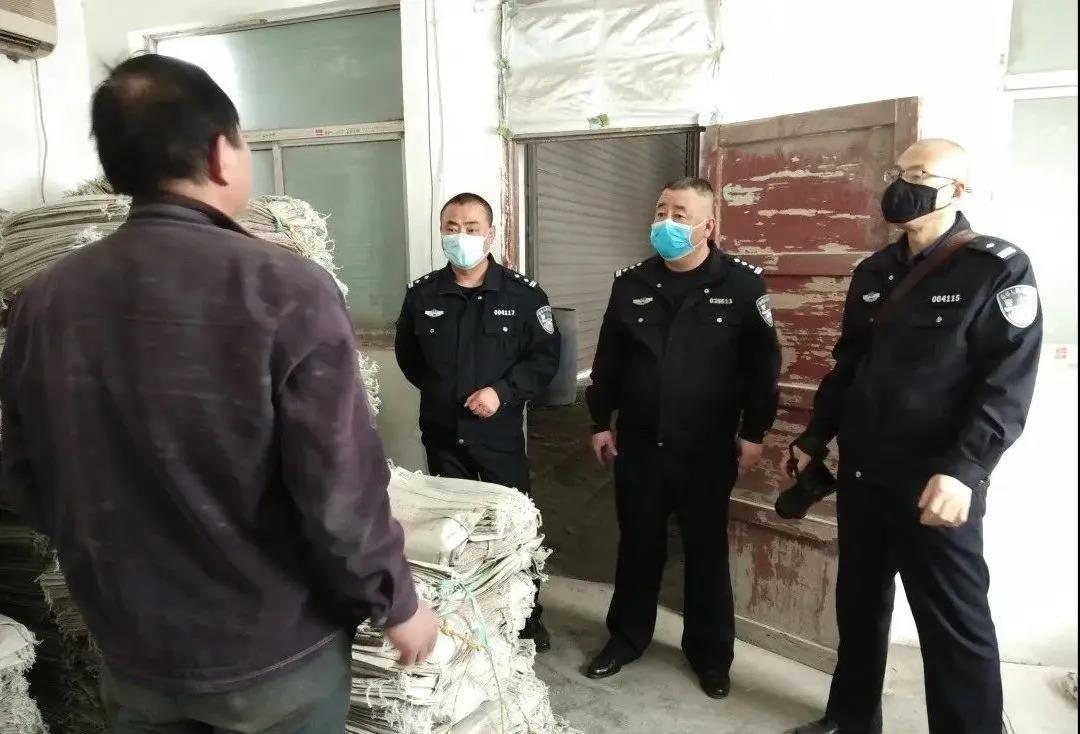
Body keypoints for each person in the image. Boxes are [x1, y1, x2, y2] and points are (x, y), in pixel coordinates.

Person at [0, 54, 439, 733]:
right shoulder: (286, 290)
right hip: (274, 660)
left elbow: (25, 478)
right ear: (219, 152)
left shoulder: (44, 301)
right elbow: (339, 489)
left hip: (131, 652)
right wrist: (397, 601)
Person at [788, 139, 1042, 734]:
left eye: (921, 174)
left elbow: (1006, 384)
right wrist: (815, 435)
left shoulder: (996, 267)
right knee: (859, 606)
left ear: (958, 189)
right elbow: (848, 366)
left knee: (954, 622)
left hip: (936, 480)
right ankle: (850, 719)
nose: (903, 185)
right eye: (898, 172)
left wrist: (965, 471)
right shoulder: (874, 271)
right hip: (863, 471)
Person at [584, 176, 781, 699]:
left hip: (706, 447)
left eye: (680, 214)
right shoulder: (631, 283)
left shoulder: (742, 285)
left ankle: (710, 655)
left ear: (707, 226)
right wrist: (599, 421)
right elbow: (608, 361)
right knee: (638, 546)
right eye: (661, 211)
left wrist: (755, 431)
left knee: (706, 552)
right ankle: (626, 639)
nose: (666, 222)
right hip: (640, 443)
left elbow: (763, 368)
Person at [394, 192, 561, 651]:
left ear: (490, 234)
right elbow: (410, 358)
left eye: (471, 228)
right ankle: (470, 615)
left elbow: (544, 359)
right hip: (444, 437)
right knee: (454, 531)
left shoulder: (524, 296)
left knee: (515, 526)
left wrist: (501, 392)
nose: (460, 236)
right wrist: (445, 393)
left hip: (498, 438)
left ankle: (527, 616)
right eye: (451, 227)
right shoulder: (422, 294)